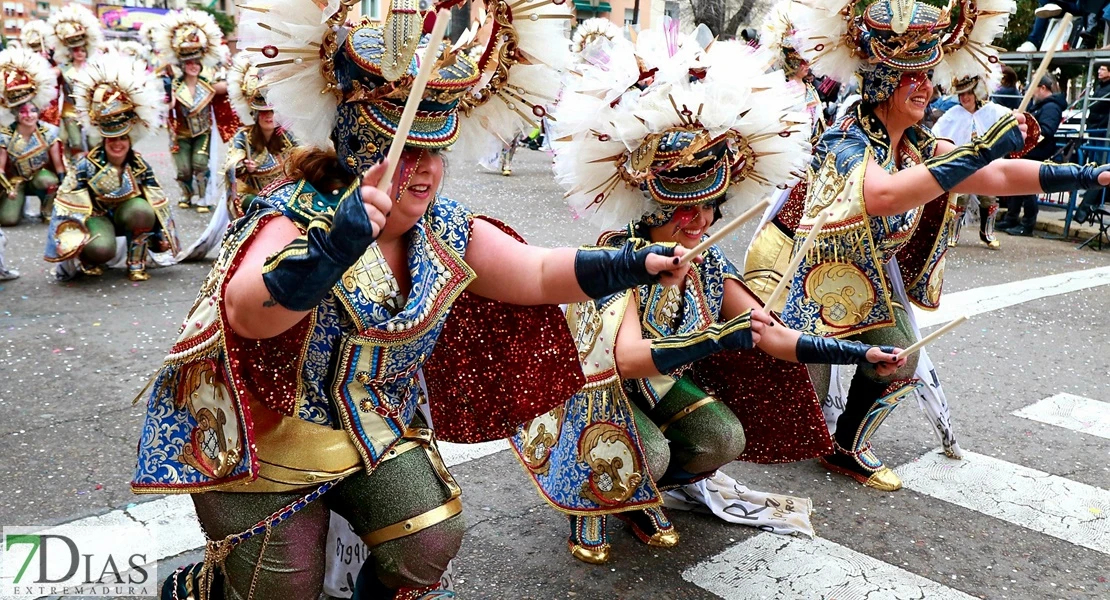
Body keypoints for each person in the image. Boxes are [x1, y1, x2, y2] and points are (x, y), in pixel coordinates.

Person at [132, 1, 689, 598]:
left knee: (427, 538)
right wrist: (332, 249)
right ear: (357, 147)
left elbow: (539, 274)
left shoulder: (444, 229)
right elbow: (249, 314)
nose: (422, 171)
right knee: (280, 588)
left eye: (434, 154)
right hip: (263, 442)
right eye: (405, 152)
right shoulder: (294, 217)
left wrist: (634, 263)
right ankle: (201, 586)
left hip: (375, 431)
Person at [515, 23, 905, 565]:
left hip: (657, 385)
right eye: (684, 210)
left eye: (708, 207)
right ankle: (596, 499)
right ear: (652, 208)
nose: (699, 221)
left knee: (722, 439)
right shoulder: (616, 259)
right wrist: (717, 339)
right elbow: (624, 360)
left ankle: (636, 494)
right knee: (644, 450)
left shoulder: (706, 261)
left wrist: (858, 353)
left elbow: (775, 338)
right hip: (593, 392)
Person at [788, 0, 1108, 491]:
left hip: (869, 274)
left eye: (928, 74)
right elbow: (883, 195)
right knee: (782, 398)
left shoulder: (917, 142)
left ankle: (846, 446)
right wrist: (981, 148)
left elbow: (995, 174)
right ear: (882, 82)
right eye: (912, 76)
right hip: (804, 273)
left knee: (899, 355)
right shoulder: (845, 139)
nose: (927, 86)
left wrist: (1087, 175)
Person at [44, 54, 178, 281]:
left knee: (141, 210)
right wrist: (65, 241)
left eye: (122, 139)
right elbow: (66, 203)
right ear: (103, 140)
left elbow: (157, 200)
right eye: (111, 140)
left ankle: (136, 262)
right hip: (97, 217)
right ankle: (89, 258)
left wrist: (160, 236)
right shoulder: (85, 165)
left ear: (129, 140)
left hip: (127, 215)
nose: (117, 144)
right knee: (100, 250)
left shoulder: (138, 164)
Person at [153, 8, 239, 213]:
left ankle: (202, 197)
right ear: (182, 64)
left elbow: (227, 88)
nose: (193, 66)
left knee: (200, 164)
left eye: (196, 62)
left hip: (203, 132)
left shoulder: (209, 84)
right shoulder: (173, 84)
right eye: (188, 62)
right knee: (183, 170)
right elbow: (163, 104)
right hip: (179, 133)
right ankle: (186, 194)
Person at [933, 74, 1016, 249]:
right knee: (959, 197)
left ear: (976, 93)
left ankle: (987, 233)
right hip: (962, 161)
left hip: (987, 163)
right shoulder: (953, 114)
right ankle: (952, 233)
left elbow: (1010, 121)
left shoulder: (992, 110)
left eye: (968, 93)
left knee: (989, 197)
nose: (964, 98)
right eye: (961, 94)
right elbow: (937, 133)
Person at [223, 53, 297, 219]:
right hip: (253, 194)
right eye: (263, 113)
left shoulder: (288, 135)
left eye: (272, 112)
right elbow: (230, 165)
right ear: (255, 115)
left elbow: (302, 158)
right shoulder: (243, 137)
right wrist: (244, 166)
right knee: (258, 204)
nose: (268, 117)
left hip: (283, 192)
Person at [0, 47, 64, 226]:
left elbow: (59, 167)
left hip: (40, 178)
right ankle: (15, 206)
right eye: (23, 112)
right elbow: (1, 168)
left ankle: (48, 207)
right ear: (15, 113)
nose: (28, 115)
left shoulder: (48, 133)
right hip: (16, 181)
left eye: (32, 111)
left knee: (48, 180)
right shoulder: (5, 136)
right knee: (7, 220)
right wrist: (7, 188)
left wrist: (64, 189)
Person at [998, 74, 1067, 236]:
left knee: (1027, 187)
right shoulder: (1042, 105)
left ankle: (1027, 223)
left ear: (1043, 88)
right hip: (1029, 149)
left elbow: (1047, 130)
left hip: (1037, 151)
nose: (1031, 92)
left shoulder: (1051, 107)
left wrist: (1029, 130)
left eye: (1033, 88)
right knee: (1016, 184)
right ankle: (1011, 217)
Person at [46, 4, 102, 163]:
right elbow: (46, 75)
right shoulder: (63, 68)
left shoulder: (94, 68)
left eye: (82, 50)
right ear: (71, 52)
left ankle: (94, 169)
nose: (79, 53)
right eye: (76, 50)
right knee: (76, 143)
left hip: (90, 112)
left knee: (93, 143)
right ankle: (76, 172)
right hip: (70, 112)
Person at [1074, 63, 1110, 223]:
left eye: (1103, 69)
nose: (1099, 72)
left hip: (1102, 128)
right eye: (1099, 69)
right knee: (1093, 159)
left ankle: (1094, 191)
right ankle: (1091, 185)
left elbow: (1099, 105)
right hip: (1094, 125)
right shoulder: (1099, 85)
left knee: (1100, 159)